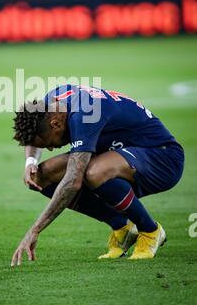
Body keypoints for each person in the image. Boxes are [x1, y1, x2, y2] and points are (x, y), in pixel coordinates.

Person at [11, 84, 184, 267]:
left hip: (162, 158)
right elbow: (35, 133)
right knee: (40, 177)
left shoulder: (85, 114)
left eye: (48, 142)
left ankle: (150, 230)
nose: (51, 148)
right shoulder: (51, 104)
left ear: (55, 124)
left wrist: (35, 230)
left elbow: (73, 181)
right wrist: (30, 162)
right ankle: (122, 226)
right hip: (122, 153)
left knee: (95, 171)